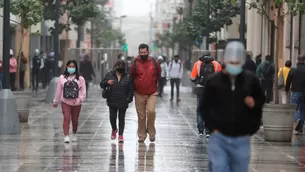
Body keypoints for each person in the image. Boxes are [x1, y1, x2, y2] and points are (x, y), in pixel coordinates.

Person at [200, 41, 265, 172]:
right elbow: (204, 106)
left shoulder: (251, 80)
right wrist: (212, 128)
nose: (234, 65)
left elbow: (261, 100)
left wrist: (252, 125)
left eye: (237, 62)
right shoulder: (214, 81)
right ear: (226, 60)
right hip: (219, 136)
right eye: (231, 62)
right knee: (219, 167)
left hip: (241, 136)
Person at [130, 43, 161, 142]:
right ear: (139, 52)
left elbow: (159, 75)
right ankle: (141, 135)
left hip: (152, 92)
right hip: (139, 93)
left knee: (151, 112)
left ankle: (151, 132)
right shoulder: (135, 63)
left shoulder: (154, 62)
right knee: (141, 115)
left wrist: (157, 86)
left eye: (145, 52)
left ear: (148, 52)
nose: (143, 54)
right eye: (141, 52)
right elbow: (131, 76)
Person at [52, 60, 86, 143]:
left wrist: (80, 99)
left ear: (76, 68)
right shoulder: (62, 78)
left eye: (73, 67)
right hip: (65, 102)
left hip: (76, 103)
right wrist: (55, 101)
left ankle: (74, 133)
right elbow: (58, 91)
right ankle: (66, 135)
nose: (71, 68)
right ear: (66, 67)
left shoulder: (80, 79)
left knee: (75, 120)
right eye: (69, 66)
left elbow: (83, 91)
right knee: (66, 118)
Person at [100, 60, 134, 142]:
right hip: (112, 99)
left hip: (123, 101)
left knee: (121, 118)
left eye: (122, 67)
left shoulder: (128, 77)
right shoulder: (109, 75)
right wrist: (107, 82)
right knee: (112, 118)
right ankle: (114, 129)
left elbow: (131, 90)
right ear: (116, 67)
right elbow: (102, 84)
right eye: (119, 67)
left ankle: (121, 135)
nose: (121, 69)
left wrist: (128, 99)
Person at [190, 52, 221, 139]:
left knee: (199, 109)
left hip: (200, 89)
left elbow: (192, 78)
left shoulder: (198, 64)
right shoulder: (217, 64)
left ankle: (200, 130)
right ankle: (208, 130)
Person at [285, 55, 305, 134]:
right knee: (303, 109)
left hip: (295, 91)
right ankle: (300, 126)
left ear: (297, 60)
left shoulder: (293, 69)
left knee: (294, 108)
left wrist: (286, 90)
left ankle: (297, 120)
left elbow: (288, 80)